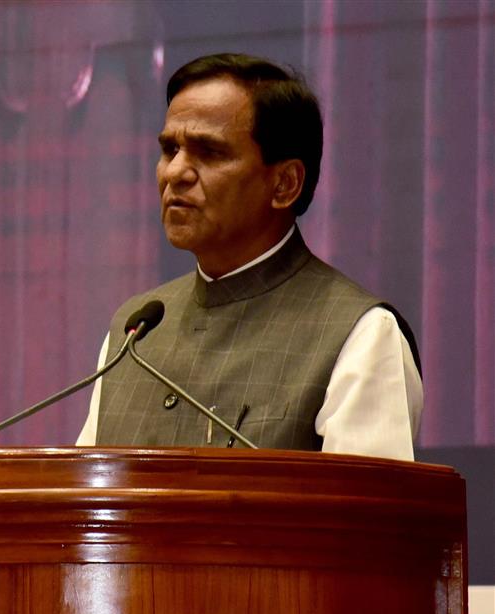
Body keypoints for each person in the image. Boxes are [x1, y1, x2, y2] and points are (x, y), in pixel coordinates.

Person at [77, 53, 422, 459]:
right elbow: (87, 506)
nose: (175, 173)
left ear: (285, 184)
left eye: (209, 152)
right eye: (170, 149)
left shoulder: (361, 335)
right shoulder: (133, 333)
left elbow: (361, 521)